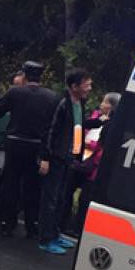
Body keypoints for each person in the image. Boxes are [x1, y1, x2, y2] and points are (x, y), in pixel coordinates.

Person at [0, 61, 60, 239]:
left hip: (15, 142)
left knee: (10, 183)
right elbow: (53, 127)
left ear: (25, 75)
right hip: (37, 145)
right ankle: (31, 224)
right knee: (33, 186)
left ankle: (7, 222)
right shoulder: (52, 97)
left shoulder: (15, 92)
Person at [37, 68, 93, 255]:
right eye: (86, 84)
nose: (89, 88)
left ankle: (55, 233)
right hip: (56, 157)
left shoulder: (80, 103)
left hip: (70, 157)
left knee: (61, 197)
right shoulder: (61, 104)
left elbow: (80, 124)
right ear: (74, 86)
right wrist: (45, 157)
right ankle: (45, 238)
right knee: (51, 198)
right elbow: (49, 131)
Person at [68, 91, 121, 237]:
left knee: (86, 198)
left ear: (112, 106)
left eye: (104, 102)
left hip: (94, 167)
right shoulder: (96, 118)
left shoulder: (112, 125)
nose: (101, 104)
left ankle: (79, 229)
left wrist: (90, 145)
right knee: (72, 192)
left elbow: (101, 146)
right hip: (82, 162)